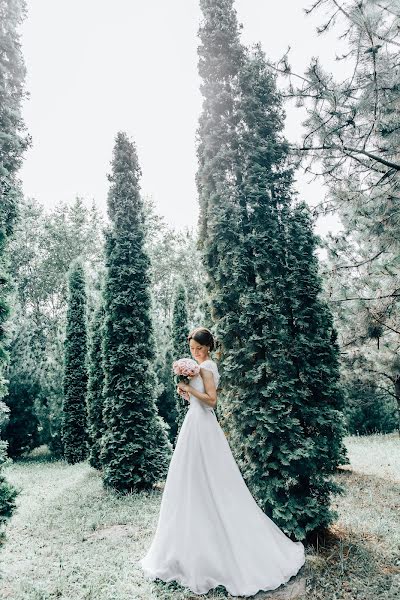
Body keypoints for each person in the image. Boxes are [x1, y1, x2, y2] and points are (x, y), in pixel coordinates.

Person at [139, 326, 305, 597]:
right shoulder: (200, 366)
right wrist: (186, 391)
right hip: (195, 423)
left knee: (209, 479)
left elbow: (212, 401)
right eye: (192, 349)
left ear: (207, 347)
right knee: (192, 480)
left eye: (198, 348)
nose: (195, 352)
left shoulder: (206, 367)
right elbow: (200, 399)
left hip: (203, 427)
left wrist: (189, 390)